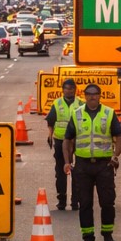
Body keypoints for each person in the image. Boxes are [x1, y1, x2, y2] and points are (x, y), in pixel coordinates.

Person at [63, 84, 121, 241]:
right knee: (84, 203)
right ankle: (88, 238)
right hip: (82, 165)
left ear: (99, 96)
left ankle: (107, 234)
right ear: (84, 96)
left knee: (107, 201)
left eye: (95, 94)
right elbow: (67, 139)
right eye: (89, 94)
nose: (92, 96)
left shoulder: (108, 113)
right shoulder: (76, 114)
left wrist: (115, 156)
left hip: (104, 165)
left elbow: (120, 136)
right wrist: (67, 161)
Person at [45, 78, 81, 210]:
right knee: (60, 171)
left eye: (71, 88)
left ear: (75, 90)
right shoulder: (57, 103)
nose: (69, 91)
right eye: (66, 88)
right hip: (60, 140)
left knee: (77, 171)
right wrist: (50, 135)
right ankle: (62, 200)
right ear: (63, 90)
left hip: (77, 141)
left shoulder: (80, 104)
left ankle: (75, 201)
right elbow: (50, 121)